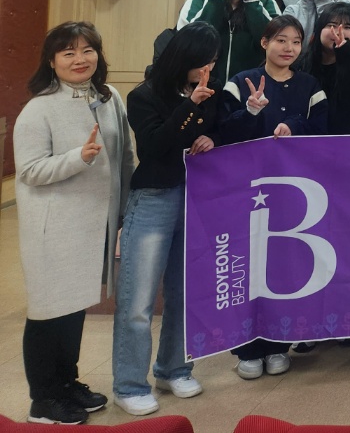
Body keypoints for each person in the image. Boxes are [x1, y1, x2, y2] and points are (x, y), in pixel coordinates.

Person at [15, 22, 133, 426]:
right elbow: (29, 170)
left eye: (87, 50)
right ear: (52, 62)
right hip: (55, 229)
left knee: (75, 307)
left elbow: (124, 156)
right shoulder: (39, 108)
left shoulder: (109, 97)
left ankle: (67, 384)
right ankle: (43, 400)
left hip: (94, 225)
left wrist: (125, 207)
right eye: (68, 53)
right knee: (49, 312)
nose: (79, 59)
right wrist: (76, 158)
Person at [112, 23, 221, 415]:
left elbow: (217, 130)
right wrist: (190, 105)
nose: (208, 68)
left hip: (194, 199)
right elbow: (156, 145)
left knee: (183, 294)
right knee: (138, 300)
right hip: (153, 199)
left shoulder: (209, 90)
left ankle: (173, 368)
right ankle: (128, 385)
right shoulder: (142, 95)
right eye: (203, 61)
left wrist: (212, 138)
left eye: (212, 61)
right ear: (183, 58)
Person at [218, 15, 327, 379]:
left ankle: (279, 344)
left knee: (283, 266)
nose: (288, 48)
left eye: (295, 41)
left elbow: (323, 130)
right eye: (281, 40)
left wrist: (294, 126)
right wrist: (251, 110)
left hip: (292, 193)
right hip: (244, 193)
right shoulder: (239, 83)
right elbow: (223, 132)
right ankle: (247, 348)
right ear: (265, 42)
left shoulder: (310, 85)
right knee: (246, 267)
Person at [176, 0, 280, 87]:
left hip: (250, 88)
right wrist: (215, 0)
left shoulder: (266, 2)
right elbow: (189, 43)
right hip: (203, 86)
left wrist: (252, 2)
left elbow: (272, 43)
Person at [298, 4, 350, 135]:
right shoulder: (302, 64)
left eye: (347, 27)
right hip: (310, 138)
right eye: (331, 25)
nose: (339, 31)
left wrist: (345, 53)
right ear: (319, 29)